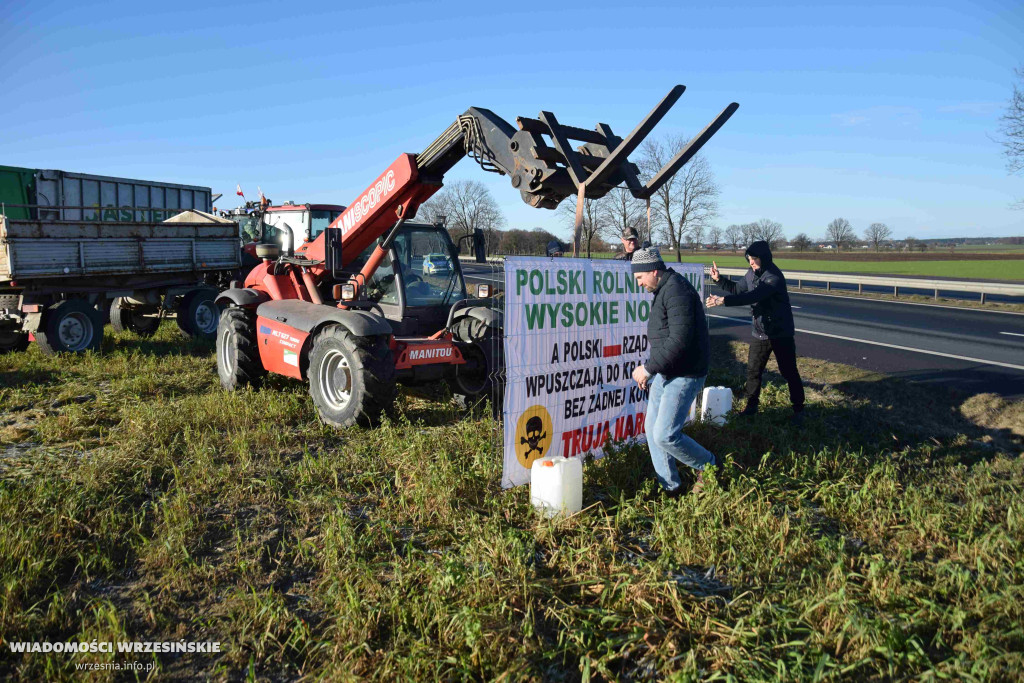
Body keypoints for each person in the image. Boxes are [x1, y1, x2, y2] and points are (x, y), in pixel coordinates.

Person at [629, 246, 716, 496]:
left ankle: (709, 465)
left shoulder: (677, 291)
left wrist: (648, 368)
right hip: (667, 371)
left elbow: (679, 340)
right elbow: (666, 338)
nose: (640, 283)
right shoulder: (664, 288)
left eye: (640, 277)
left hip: (685, 373)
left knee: (665, 434)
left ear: (652, 270)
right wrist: (654, 369)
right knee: (652, 430)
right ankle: (670, 487)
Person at [705, 240, 805, 425]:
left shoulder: (773, 277)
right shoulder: (751, 274)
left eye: (754, 258)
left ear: (764, 258)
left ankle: (799, 409)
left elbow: (753, 296)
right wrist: (719, 279)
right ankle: (751, 408)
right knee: (753, 371)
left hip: (780, 332)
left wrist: (722, 301)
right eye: (749, 258)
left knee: (788, 371)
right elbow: (737, 290)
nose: (751, 262)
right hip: (760, 331)